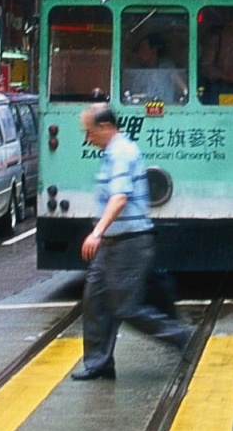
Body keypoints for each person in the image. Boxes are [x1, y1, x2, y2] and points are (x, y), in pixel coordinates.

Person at [72, 103, 192, 381]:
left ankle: (182, 336)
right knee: (95, 301)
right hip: (112, 244)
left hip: (129, 243)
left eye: (89, 132)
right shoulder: (110, 153)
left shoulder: (122, 153)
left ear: (105, 127)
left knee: (126, 307)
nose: (87, 139)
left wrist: (97, 231)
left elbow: (120, 197)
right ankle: (98, 363)